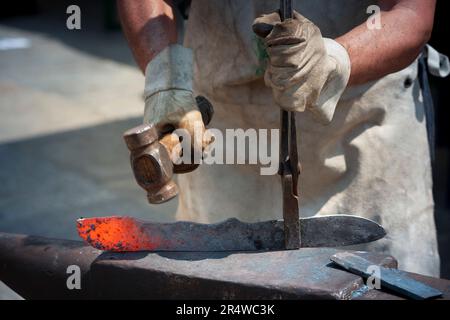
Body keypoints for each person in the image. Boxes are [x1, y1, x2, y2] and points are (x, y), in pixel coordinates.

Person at [117, 0, 449, 277]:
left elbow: (412, 13)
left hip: (363, 123)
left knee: (384, 283)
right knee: (221, 285)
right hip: (225, 130)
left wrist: (333, 61)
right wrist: (165, 78)